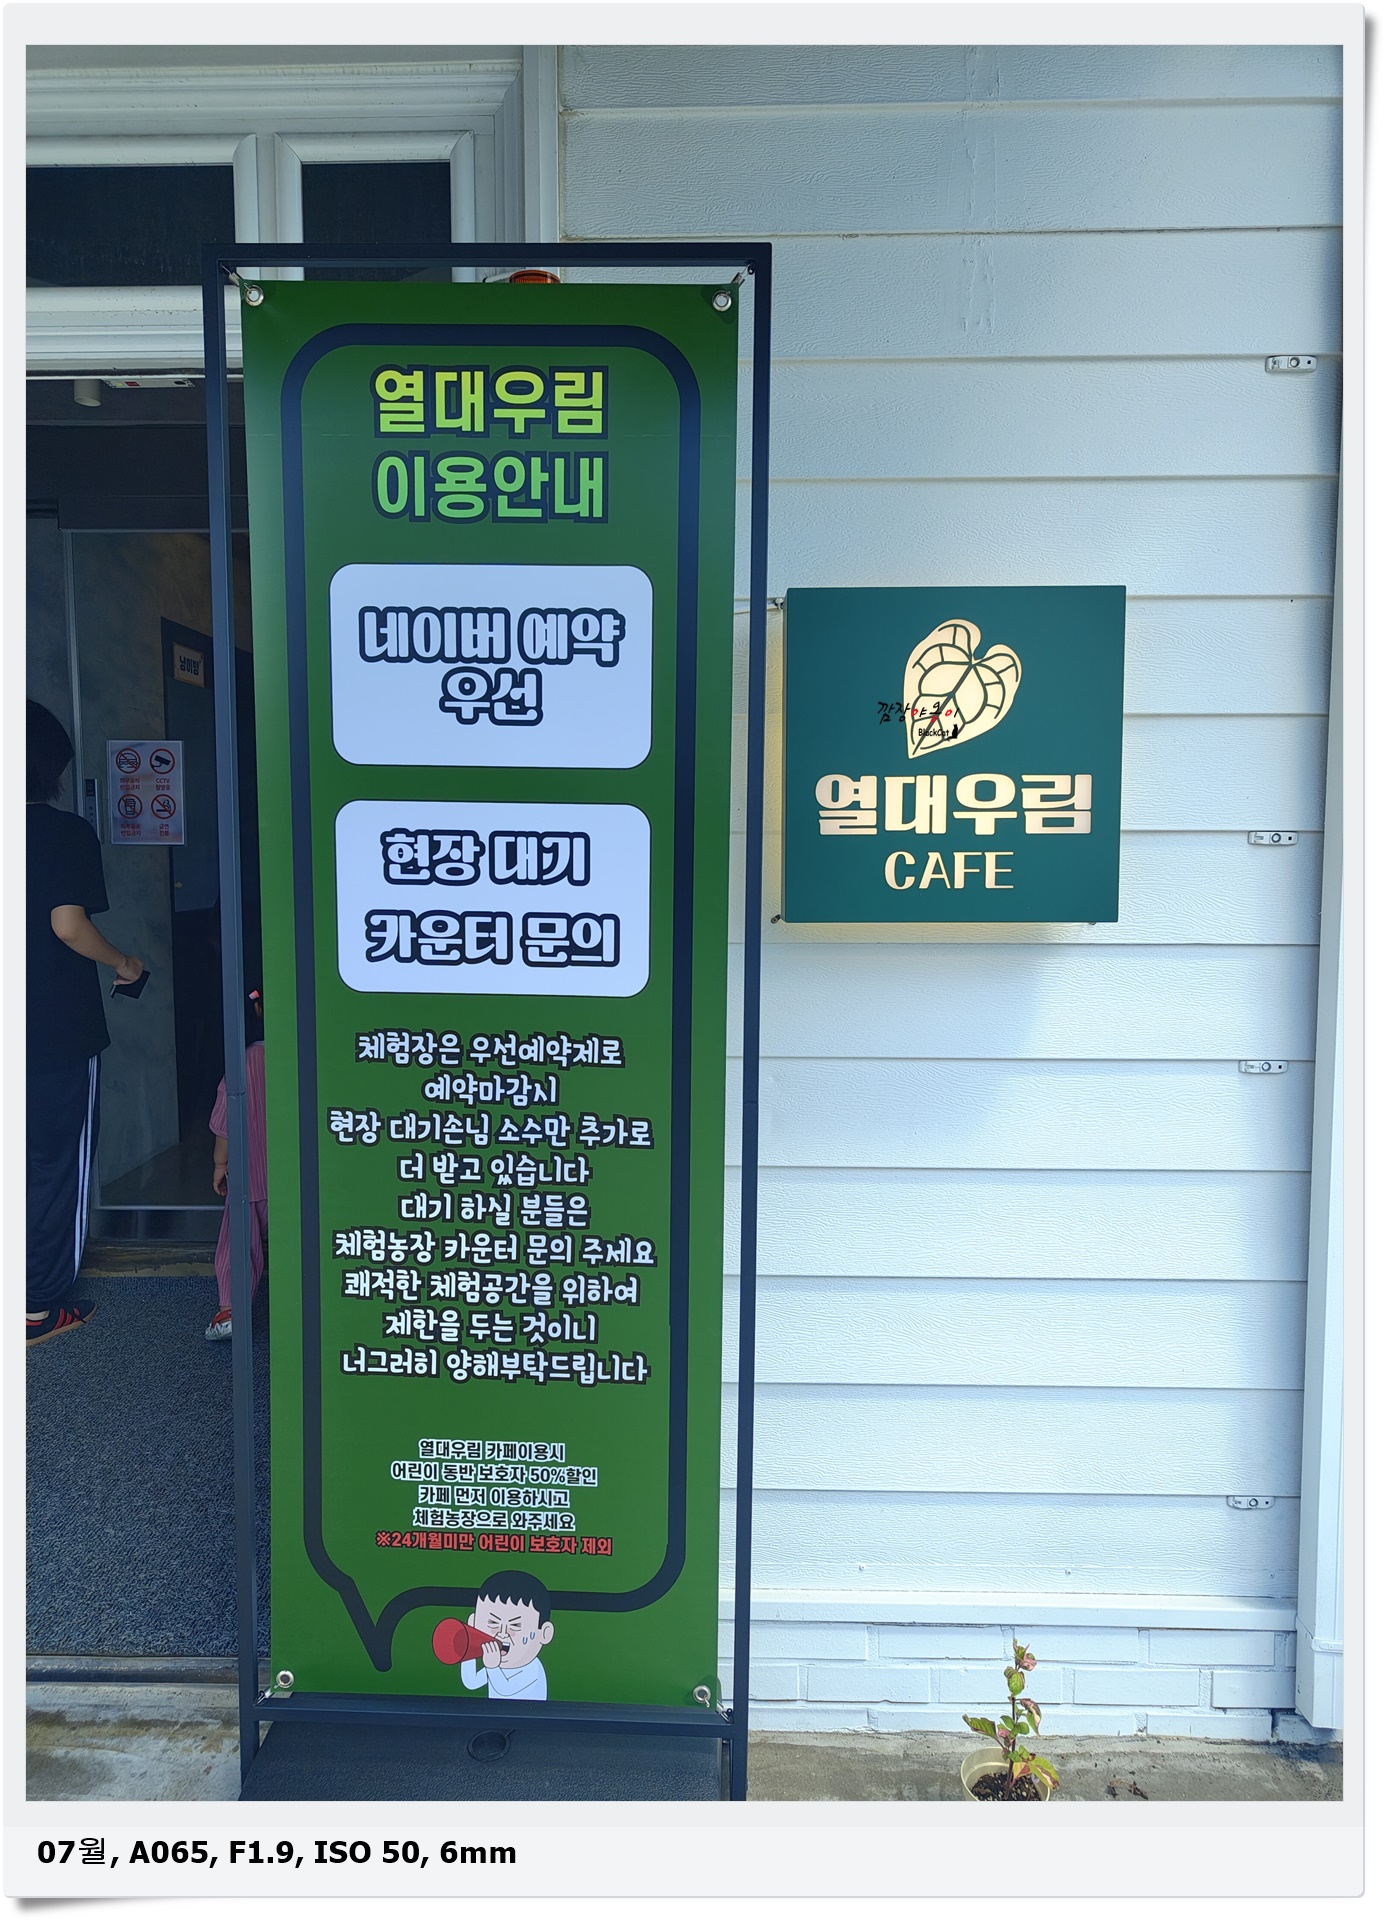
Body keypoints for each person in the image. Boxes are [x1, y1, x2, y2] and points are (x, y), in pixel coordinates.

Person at [26, 701, 144, 1346]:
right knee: (54, 1164)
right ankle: (36, 1307)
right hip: (52, 1029)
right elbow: (68, 926)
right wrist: (125, 962)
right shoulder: (62, 834)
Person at [205, 989, 266, 1342]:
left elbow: (224, 1125)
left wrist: (220, 1165)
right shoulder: (300, 1058)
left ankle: (231, 1311)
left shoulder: (239, 1066)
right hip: (293, 1179)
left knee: (238, 1242)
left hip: (248, 1178)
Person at [456, 1570, 555, 1701]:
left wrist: (493, 1668)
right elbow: (471, 1682)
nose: (502, 1633)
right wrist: (469, 1643)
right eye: (493, 1623)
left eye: (515, 1625)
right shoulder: (494, 1665)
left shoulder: (533, 1669)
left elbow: (505, 1689)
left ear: (544, 1633)